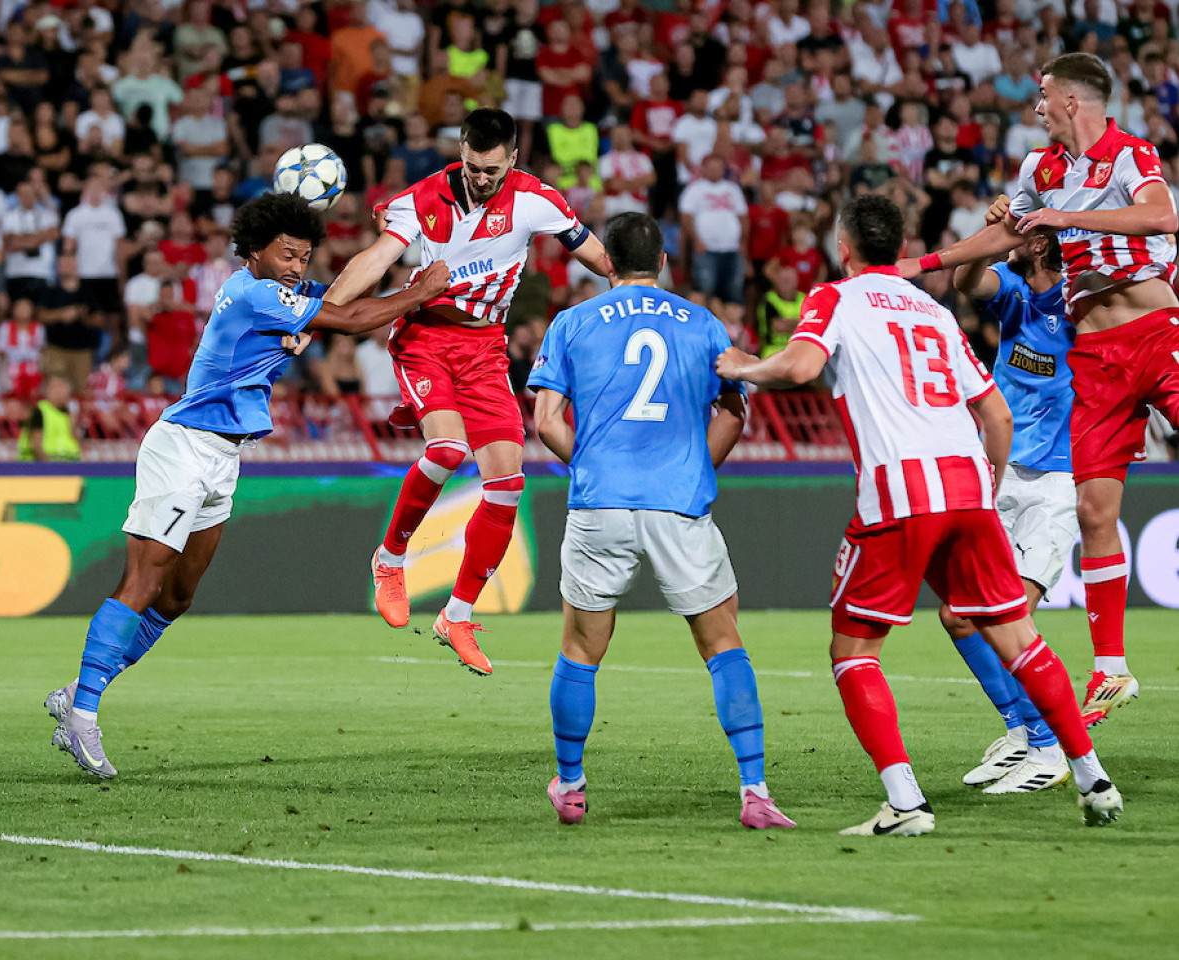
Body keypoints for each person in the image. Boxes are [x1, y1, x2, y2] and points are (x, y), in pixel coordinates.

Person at [718, 196, 1122, 834]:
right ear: (895, 243)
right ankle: (1092, 776)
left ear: (844, 248)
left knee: (854, 652)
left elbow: (799, 366)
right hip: (969, 486)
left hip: (899, 493)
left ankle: (906, 802)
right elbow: (997, 415)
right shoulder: (930, 308)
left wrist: (745, 367)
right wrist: (985, 486)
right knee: (1017, 637)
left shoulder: (836, 296)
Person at [43, 194, 451, 778]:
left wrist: (389, 247)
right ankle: (82, 718)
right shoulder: (254, 293)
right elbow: (353, 320)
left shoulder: (273, 293)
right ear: (254, 252)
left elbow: (342, 294)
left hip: (223, 457)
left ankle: (82, 686)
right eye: (287, 255)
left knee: (177, 598)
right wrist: (421, 288)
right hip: (183, 446)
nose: (297, 268)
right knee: (144, 579)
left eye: (305, 258)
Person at [898, 52, 1179, 727]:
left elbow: (1161, 218)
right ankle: (1111, 669)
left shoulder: (1127, 154)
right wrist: (926, 262)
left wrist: (1065, 220)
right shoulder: (1040, 170)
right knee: (1093, 509)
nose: (1036, 106)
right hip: (1098, 354)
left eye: (1044, 95)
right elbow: (1006, 232)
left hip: (1156, 328)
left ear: (1076, 101)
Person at [527, 213, 796, 831]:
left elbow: (545, 422)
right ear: (665, 262)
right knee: (723, 642)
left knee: (580, 648)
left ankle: (570, 786)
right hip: (679, 503)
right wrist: (696, 468)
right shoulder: (701, 323)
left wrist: (590, 464)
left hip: (600, 504)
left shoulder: (572, 322)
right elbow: (732, 411)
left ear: (607, 263)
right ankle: (754, 790)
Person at [325, 107, 613, 676]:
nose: (481, 178)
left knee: (507, 485)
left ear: (512, 157)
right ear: (461, 150)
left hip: (486, 351)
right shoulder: (423, 198)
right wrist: (323, 313)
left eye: (492, 168)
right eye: (473, 166)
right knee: (448, 451)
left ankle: (456, 615)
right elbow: (377, 260)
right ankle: (390, 557)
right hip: (426, 338)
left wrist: (638, 287)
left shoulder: (537, 201)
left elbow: (598, 256)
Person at [946, 197, 1074, 794]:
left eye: (1028, 227)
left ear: (1045, 241)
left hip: (1054, 480)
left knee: (1008, 616)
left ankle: (1050, 753)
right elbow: (965, 278)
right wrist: (995, 231)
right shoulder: (1016, 299)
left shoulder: (1082, 304)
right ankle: (1021, 733)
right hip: (998, 475)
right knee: (959, 614)